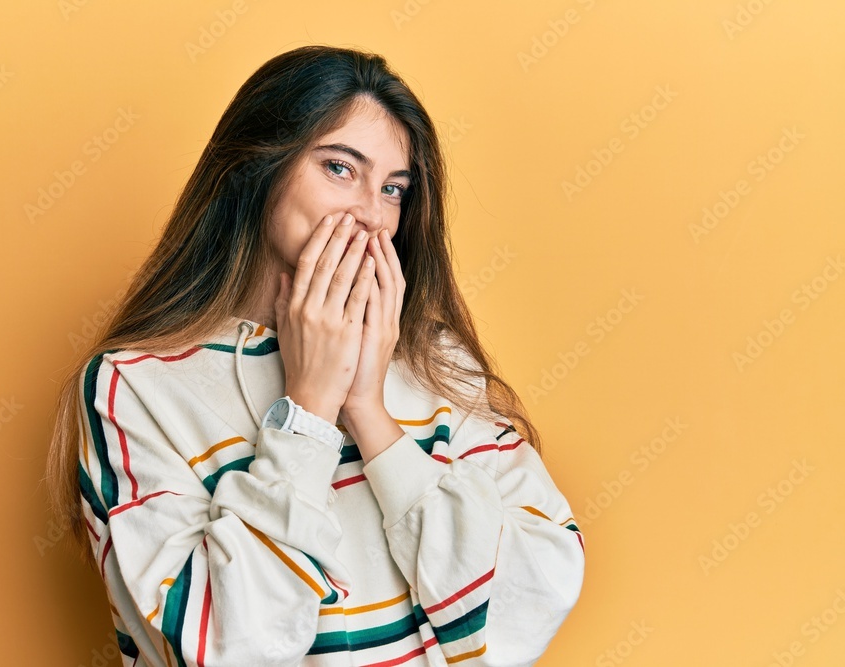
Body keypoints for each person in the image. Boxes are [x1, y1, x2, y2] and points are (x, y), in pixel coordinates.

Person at [46, 44, 585, 666]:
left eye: (392, 189)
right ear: (257, 169)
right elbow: (217, 648)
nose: (370, 216)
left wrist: (368, 410)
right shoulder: (135, 386)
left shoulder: (433, 358)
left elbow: (538, 590)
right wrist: (308, 409)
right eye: (339, 168)